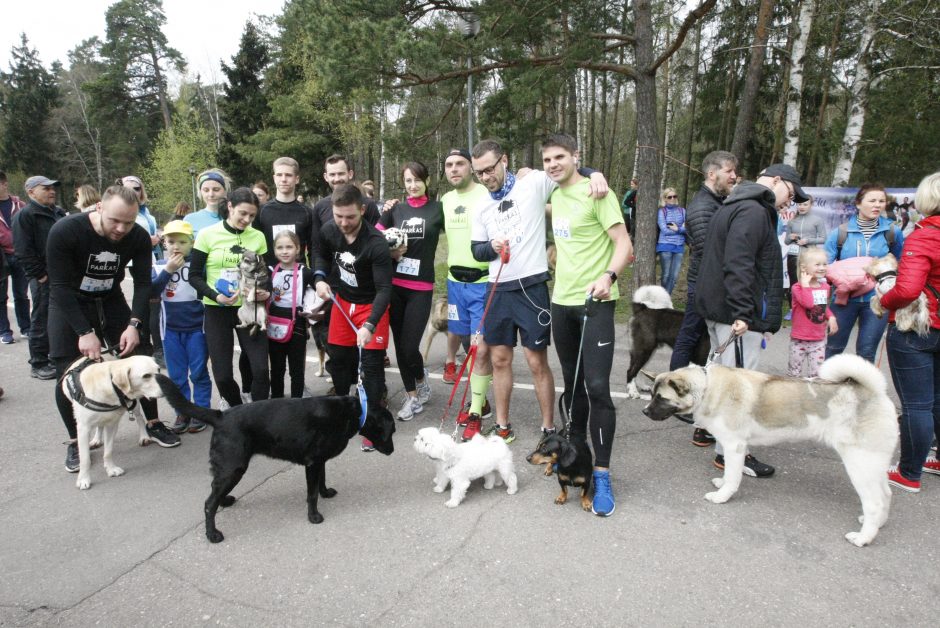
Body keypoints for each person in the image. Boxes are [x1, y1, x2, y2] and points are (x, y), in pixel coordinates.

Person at [469, 139, 608, 442]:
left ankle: (547, 427)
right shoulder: (481, 205)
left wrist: (594, 173)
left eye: (490, 169)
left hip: (531, 287)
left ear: (504, 160)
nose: (486, 176)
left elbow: (564, 170)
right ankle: (503, 426)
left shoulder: (531, 183)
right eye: (479, 172)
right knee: (500, 360)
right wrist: (490, 248)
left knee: (536, 361)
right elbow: (476, 251)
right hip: (498, 289)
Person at [47, 185, 179, 474]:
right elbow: (57, 287)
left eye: (129, 222)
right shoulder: (66, 231)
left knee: (140, 354)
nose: (121, 228)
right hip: (69, 300)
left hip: (109, 297)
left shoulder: (139, 237)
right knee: (65, 370)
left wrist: (134, 324)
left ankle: (154, 424)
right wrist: (83, 331)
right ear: (98, 209)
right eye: (115, 221)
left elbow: (144, 284)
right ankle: (75, 439)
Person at [696, 163, 810, 478]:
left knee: (720, 378)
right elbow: (739, 263)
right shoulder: (754, 210)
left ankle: (710, 431)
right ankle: (731, 455)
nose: (791, 201)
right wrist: (743, 312)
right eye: (791, 192)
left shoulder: (740, 204)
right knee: (738, 389)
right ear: (776, 181)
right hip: (734, 315)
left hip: (722, 309)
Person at [542, 134, 632, 516]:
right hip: (561, 303)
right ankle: (575, 459)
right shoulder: (555, 196)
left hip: (595, 303)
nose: (553, 164)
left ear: (576, 156)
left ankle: (603, 472)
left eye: (560, 157)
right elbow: (524, 175)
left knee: (597, 388)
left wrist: (609, 276)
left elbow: (624, 244)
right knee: (573, 385)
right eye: (547, 159)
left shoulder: (599, 194)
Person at [313, 183, 392, 452]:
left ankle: (373, 423)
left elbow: (384, 289)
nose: (344, 223)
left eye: (350, 217)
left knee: (370, 368)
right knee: (339, 361)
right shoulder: (328, 230)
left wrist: (370, 324)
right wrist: (320, 278)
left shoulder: (375, 243)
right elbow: (320, 256)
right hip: (342, 302)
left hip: (371, 305)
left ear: (362, 210)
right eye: (339, 216)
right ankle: (343, 415)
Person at [668, 150, 738, 447]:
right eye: (730, 171)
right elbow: (713, 248)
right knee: (688, 337)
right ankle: (671, 391)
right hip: (702, 284)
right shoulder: (701, 207)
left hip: (709, 284)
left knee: (701, 340)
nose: (735, 176)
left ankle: (688, 396)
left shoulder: (717, 202)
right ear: (712, 174)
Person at [878, 172, 940, 493]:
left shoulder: (924, 235)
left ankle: (908, 473)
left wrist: (883, 300)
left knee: (917, 405)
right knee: (937, 401)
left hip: (917, 329)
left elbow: (906, 290)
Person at [188, 187, 271, 407]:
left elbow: (265, 273)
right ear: (230, 207)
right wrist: (216, 296)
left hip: (249, 307)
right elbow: (194, 276)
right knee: (223, 376)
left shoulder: (258, 236)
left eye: (252, 216)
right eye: (243, 213)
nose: (247, 219)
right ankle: (236, 410)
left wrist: (264, 290)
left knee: (261, 370)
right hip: (217, 309)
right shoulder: (207, 234)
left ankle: (259, 414)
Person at [378, 161, 444, 420]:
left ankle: (420, 377)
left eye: (417, 179)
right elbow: (373, 239)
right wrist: (390, 252)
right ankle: (413, 396)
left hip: (421, 287)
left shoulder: (438, 209)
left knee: (408, 348)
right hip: (395, 286)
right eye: (408, 181)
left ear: (426, 180)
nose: (413, 185)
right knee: (399, 346)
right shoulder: (395, 209)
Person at [824, 183, 904, 362]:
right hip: (844, 300)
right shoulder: (841, 232)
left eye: (881, 201)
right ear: (858, 204)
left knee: (866, 352)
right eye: (872, 200)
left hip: (877, 302)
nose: (877, 205)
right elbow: (824, 265)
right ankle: (826, 387)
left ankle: (861, 390)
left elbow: (902, 262)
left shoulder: (892, 232)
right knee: (833, 348)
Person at [439, 148, 491, 397]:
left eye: (460, 163)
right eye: (449, 165)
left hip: (481, 282)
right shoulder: (446, 199)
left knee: (479, 347)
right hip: (454, 283)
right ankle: (476, 398)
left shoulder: (487, 192)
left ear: (471, 167)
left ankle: (478, 403)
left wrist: (590, 173)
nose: (454, 169)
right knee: (461, 337)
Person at [151, 220, 211, 434]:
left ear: (192, 243)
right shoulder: (159, 265)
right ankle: (182, 411)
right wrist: (167, 270)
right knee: (176, 375)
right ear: (164, 243)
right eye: (171, 241)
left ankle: (201, 410)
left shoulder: (200, 264)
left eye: (182, 242)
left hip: (197, 328)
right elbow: (152, 292)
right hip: (170, 331)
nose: (176, 246)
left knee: (198, 372)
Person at [12, 175, 67, 379]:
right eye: (45, 188)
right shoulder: (25, 215)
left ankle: (55, 357)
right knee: (41, 318)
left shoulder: (58, 212)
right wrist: (39, 275)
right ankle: (38, 362)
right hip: (44, 277)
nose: (52, 191)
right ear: (31, 191)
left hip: (62, 275)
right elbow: (22, 250)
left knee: (59, 318)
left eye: (53, 188)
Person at [267, 230, 315, 398]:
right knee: (277, 369)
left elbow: (319, 290)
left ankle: (297, 404)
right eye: (280, 247)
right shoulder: (269, 271)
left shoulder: (306, 272)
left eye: (289, 247)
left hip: (297, 325)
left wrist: (313, 310)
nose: (284, 251)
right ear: (274, 250)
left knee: (297, 369)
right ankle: (277, 402)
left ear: (298, 249)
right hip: (273, 324)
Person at [310, 154, 381, 253]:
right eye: (332, 175)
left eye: (341, 174)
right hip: (330, 266)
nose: (337, 179)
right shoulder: (320, 207)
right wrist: (318, 268)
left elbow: (379, 241)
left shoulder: (368, 205)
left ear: (350, 174)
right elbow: (316, 246)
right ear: (326, 177)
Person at [788, 247, 838, 377]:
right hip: (800, 339)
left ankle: (812, 396)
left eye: (824, 264)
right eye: (817, 264)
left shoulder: (825, 287)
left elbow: (822, 307)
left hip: (818, 339)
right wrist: (805, 285)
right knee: (794, 373)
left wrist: (831, 317)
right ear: (804, 268)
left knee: (816, 374)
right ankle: (793, 395)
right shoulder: (797, 288)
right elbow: (809, 303)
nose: (822, 268)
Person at [0, 171, 29, 345]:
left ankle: (26, 327)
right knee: (1, 297)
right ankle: (4, 331)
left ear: (4, 184)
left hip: (19, 254)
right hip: (0, 256)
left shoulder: (19, 205)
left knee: (21, 294)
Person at [784, 195, 826, 300]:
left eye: (805, 204)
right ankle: (792, 308)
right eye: (799, 204)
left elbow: (823, 238)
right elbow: (786, 241)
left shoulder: (817, 220)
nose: (802, 207)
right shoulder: (792, 221)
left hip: (810, 256)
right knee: (794, 282)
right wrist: (790, 236)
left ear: (811, 205)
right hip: (793, 255)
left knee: (809, 280)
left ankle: (809, 304)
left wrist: (808, 240)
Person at [656, 186, 687, 296]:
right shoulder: (661, 211)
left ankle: (665, 299)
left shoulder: (683, 211)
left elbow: (687, 228)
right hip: (665, 246)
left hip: (679, 247)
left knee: (674, 276)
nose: (673, 198)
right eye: (670, 197)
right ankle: (663, 297)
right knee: (666, 275)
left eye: (675, 196)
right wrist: (680, 229)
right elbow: (664, 230)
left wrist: (678, 228)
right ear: (665, 199)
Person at [184, 169, 231, 239]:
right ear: (200, 192)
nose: (211, 194)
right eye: (206, 190)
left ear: (225, 191)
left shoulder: (235, 217)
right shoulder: (189, 220)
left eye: (216, 190)